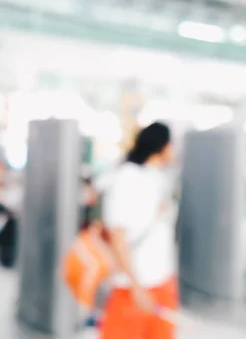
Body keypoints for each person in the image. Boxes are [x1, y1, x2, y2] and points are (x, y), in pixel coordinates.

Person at [101, 122, 177, 339]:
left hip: (162, 280)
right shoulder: (126, 178)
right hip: (132, 287)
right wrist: (136, 287)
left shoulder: (157, 177)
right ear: (162, 146)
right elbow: (118, 236)